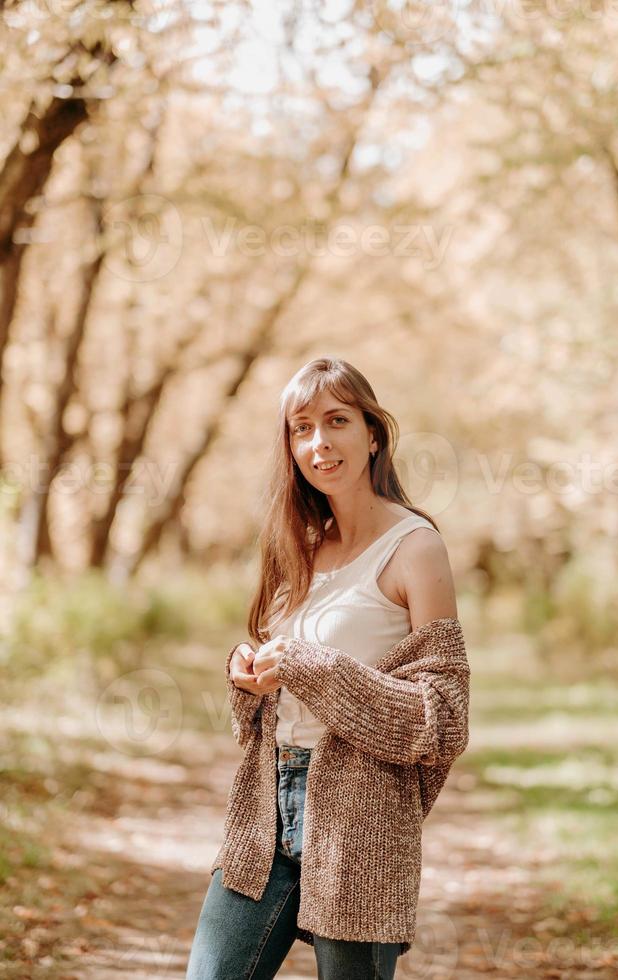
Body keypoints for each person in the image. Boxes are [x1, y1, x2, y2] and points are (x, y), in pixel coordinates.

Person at [185, 356, 469, 980]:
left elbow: (442, 720)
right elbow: (266, 709)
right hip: (264, 813)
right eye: (301, 427)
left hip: (361, 820)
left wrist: (310, 666)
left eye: (337, 420)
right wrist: (247, 673)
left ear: (372, 434)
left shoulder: (415, 548)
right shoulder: (301, 549)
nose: (319, 442)